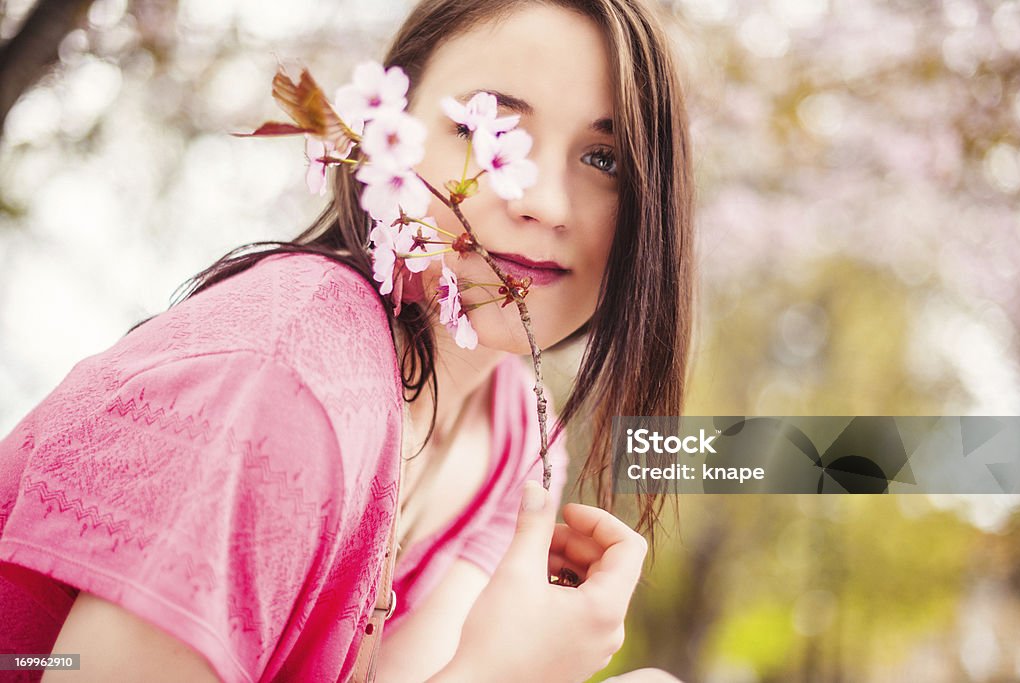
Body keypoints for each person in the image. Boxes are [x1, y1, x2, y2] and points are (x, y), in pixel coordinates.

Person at [0, 0, 694, 680]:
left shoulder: (516, 430)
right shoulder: (284, 386)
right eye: (488, 130)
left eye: (603, 159)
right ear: (380, 131)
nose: (541, 200)